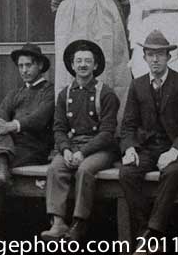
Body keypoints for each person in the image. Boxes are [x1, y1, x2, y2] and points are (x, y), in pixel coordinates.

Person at [118, 30, 178, 253]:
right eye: (150, 54)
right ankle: (146, 234)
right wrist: (130, 148)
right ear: (144, 58)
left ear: (168, 57)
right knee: (127, 173)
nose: (154, 59)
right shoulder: (138, 85)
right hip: (149, 149)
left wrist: (174, 151)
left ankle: (154, 231)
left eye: (159, 54)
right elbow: (128, 125)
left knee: (172, 172)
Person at [0, 43, 55, 242]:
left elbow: (39, 119)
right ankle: (2, 168)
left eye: (28, 65)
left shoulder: (49, 92)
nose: (24, 70)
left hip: (34, 147)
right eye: (20, 66)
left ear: (40, 66)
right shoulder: (15, 94)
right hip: (11, 145)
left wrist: (10, 126)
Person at [42, 40, 120, 242]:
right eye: (78, 61)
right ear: (72, 65)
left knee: (85, 170)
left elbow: (107, 133)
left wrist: (82, 153)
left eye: (87, 61)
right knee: (55, 168)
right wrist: (66, 150)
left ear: (95, 66)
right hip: (73, 146)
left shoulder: (106, 93)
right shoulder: (65, 94)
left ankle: (79, 222)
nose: (83, 65)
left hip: (100, 148)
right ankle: (58, 222)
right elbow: (59, 128)